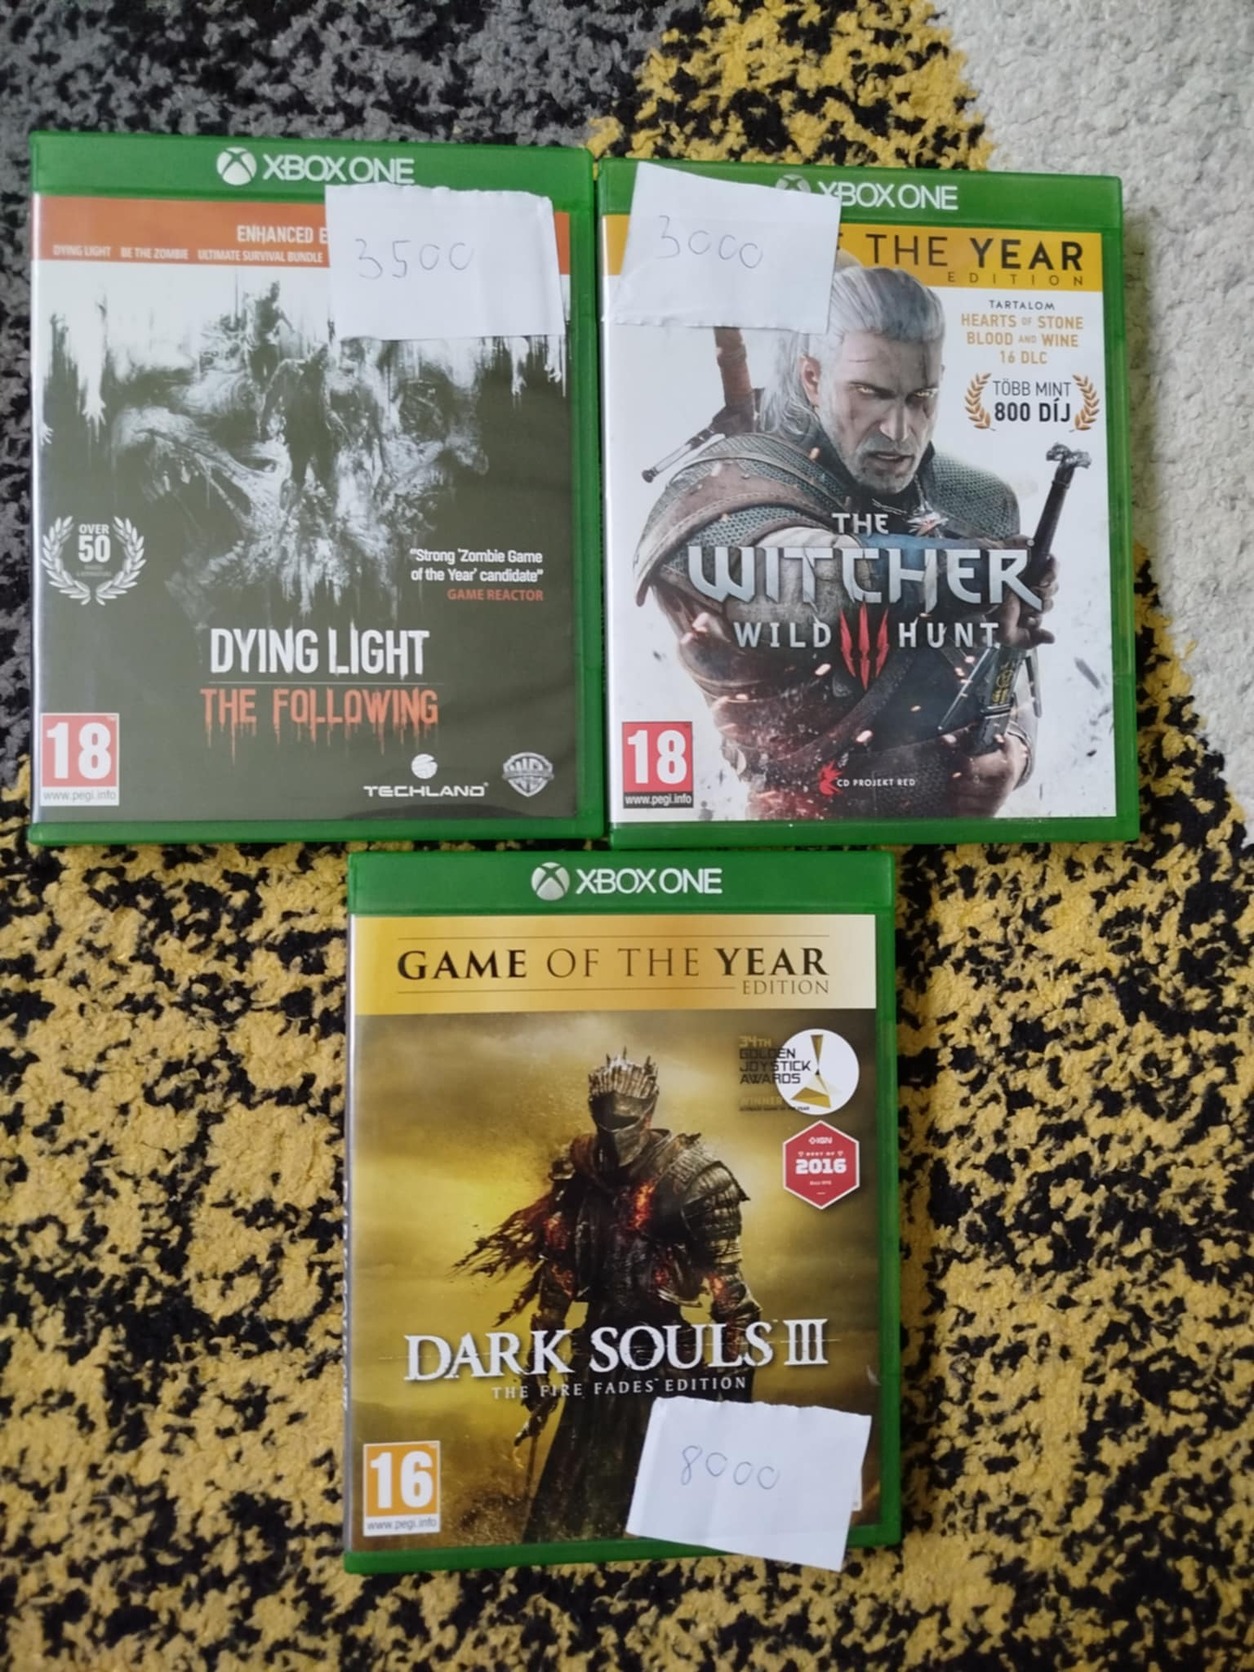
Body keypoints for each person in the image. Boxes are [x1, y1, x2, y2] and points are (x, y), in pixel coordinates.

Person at [633, 262, 1057, 819]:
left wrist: (1015, 754)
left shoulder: (976, 500)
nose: (899, 430)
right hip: (797, 826)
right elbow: (796, 582)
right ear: (812, 378)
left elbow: (1007, 658)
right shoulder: (725, 487)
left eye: (921, 397)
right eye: (870, 393)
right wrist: (976, 569)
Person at [457, 1053, 760, 1543]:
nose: (616, 1131)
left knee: (671, 1508)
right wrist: (538, 1365)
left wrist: (734, 1396)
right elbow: (560, 1273)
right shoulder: (579, 1172)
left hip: (667, 1359)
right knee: (573, 1512)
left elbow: (731, 1296)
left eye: (626, 1118)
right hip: (597, 1358)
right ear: (593, 1111)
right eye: (606, 1117)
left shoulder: (698, 1178)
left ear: (649, 1111)